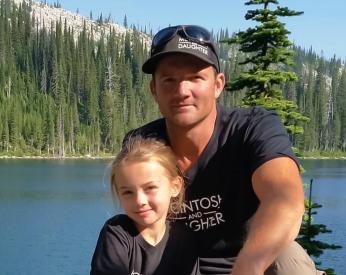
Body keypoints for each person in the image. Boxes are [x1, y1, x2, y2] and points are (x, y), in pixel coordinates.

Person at [125, 25, 322, 275]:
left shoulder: (253, 128)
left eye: (195, 78)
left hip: (251, 264)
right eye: (169, 80)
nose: (182, 91)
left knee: (289, 260)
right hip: (179, 267)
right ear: (154, 90)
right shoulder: (142, 145)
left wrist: (249, 265)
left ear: (218, 85)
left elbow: (284, 200)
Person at [90, 137, 199, 275]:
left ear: (175, 186)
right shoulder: (116, 234)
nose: (139, 201)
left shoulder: (184, 239)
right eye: (128, 192)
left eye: (150, 188)